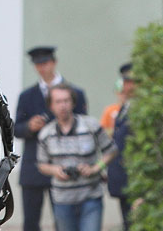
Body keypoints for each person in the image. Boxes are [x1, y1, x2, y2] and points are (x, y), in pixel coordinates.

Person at [15, 46, 88, 231]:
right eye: (37, 64)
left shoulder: (75, 93)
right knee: (31, 223)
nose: (42, 68)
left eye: (45, 63)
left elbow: (83, 127)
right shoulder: (27, 96)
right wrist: (30, 126)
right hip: (33, 166)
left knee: (66, 222)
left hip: (65, 165)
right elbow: (16, 129)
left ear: (54, 63)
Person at [37, 84, 117, 231]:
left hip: (91, 197)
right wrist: (55, 170)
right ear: (51, 106)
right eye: (58, 102)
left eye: (66, 100)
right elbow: (42, 164)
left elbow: (111, 150)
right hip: (62, 200)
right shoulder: (46, 134)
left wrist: (95, 167)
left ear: (73, 103)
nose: (63, 106)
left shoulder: (91, 125)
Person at [107, 62, 137, 230]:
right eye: (125, 81)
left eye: (131, 81)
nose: (128, 86)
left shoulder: (139, 107)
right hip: (123, 177)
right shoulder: (125, 107)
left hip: (134, 178)